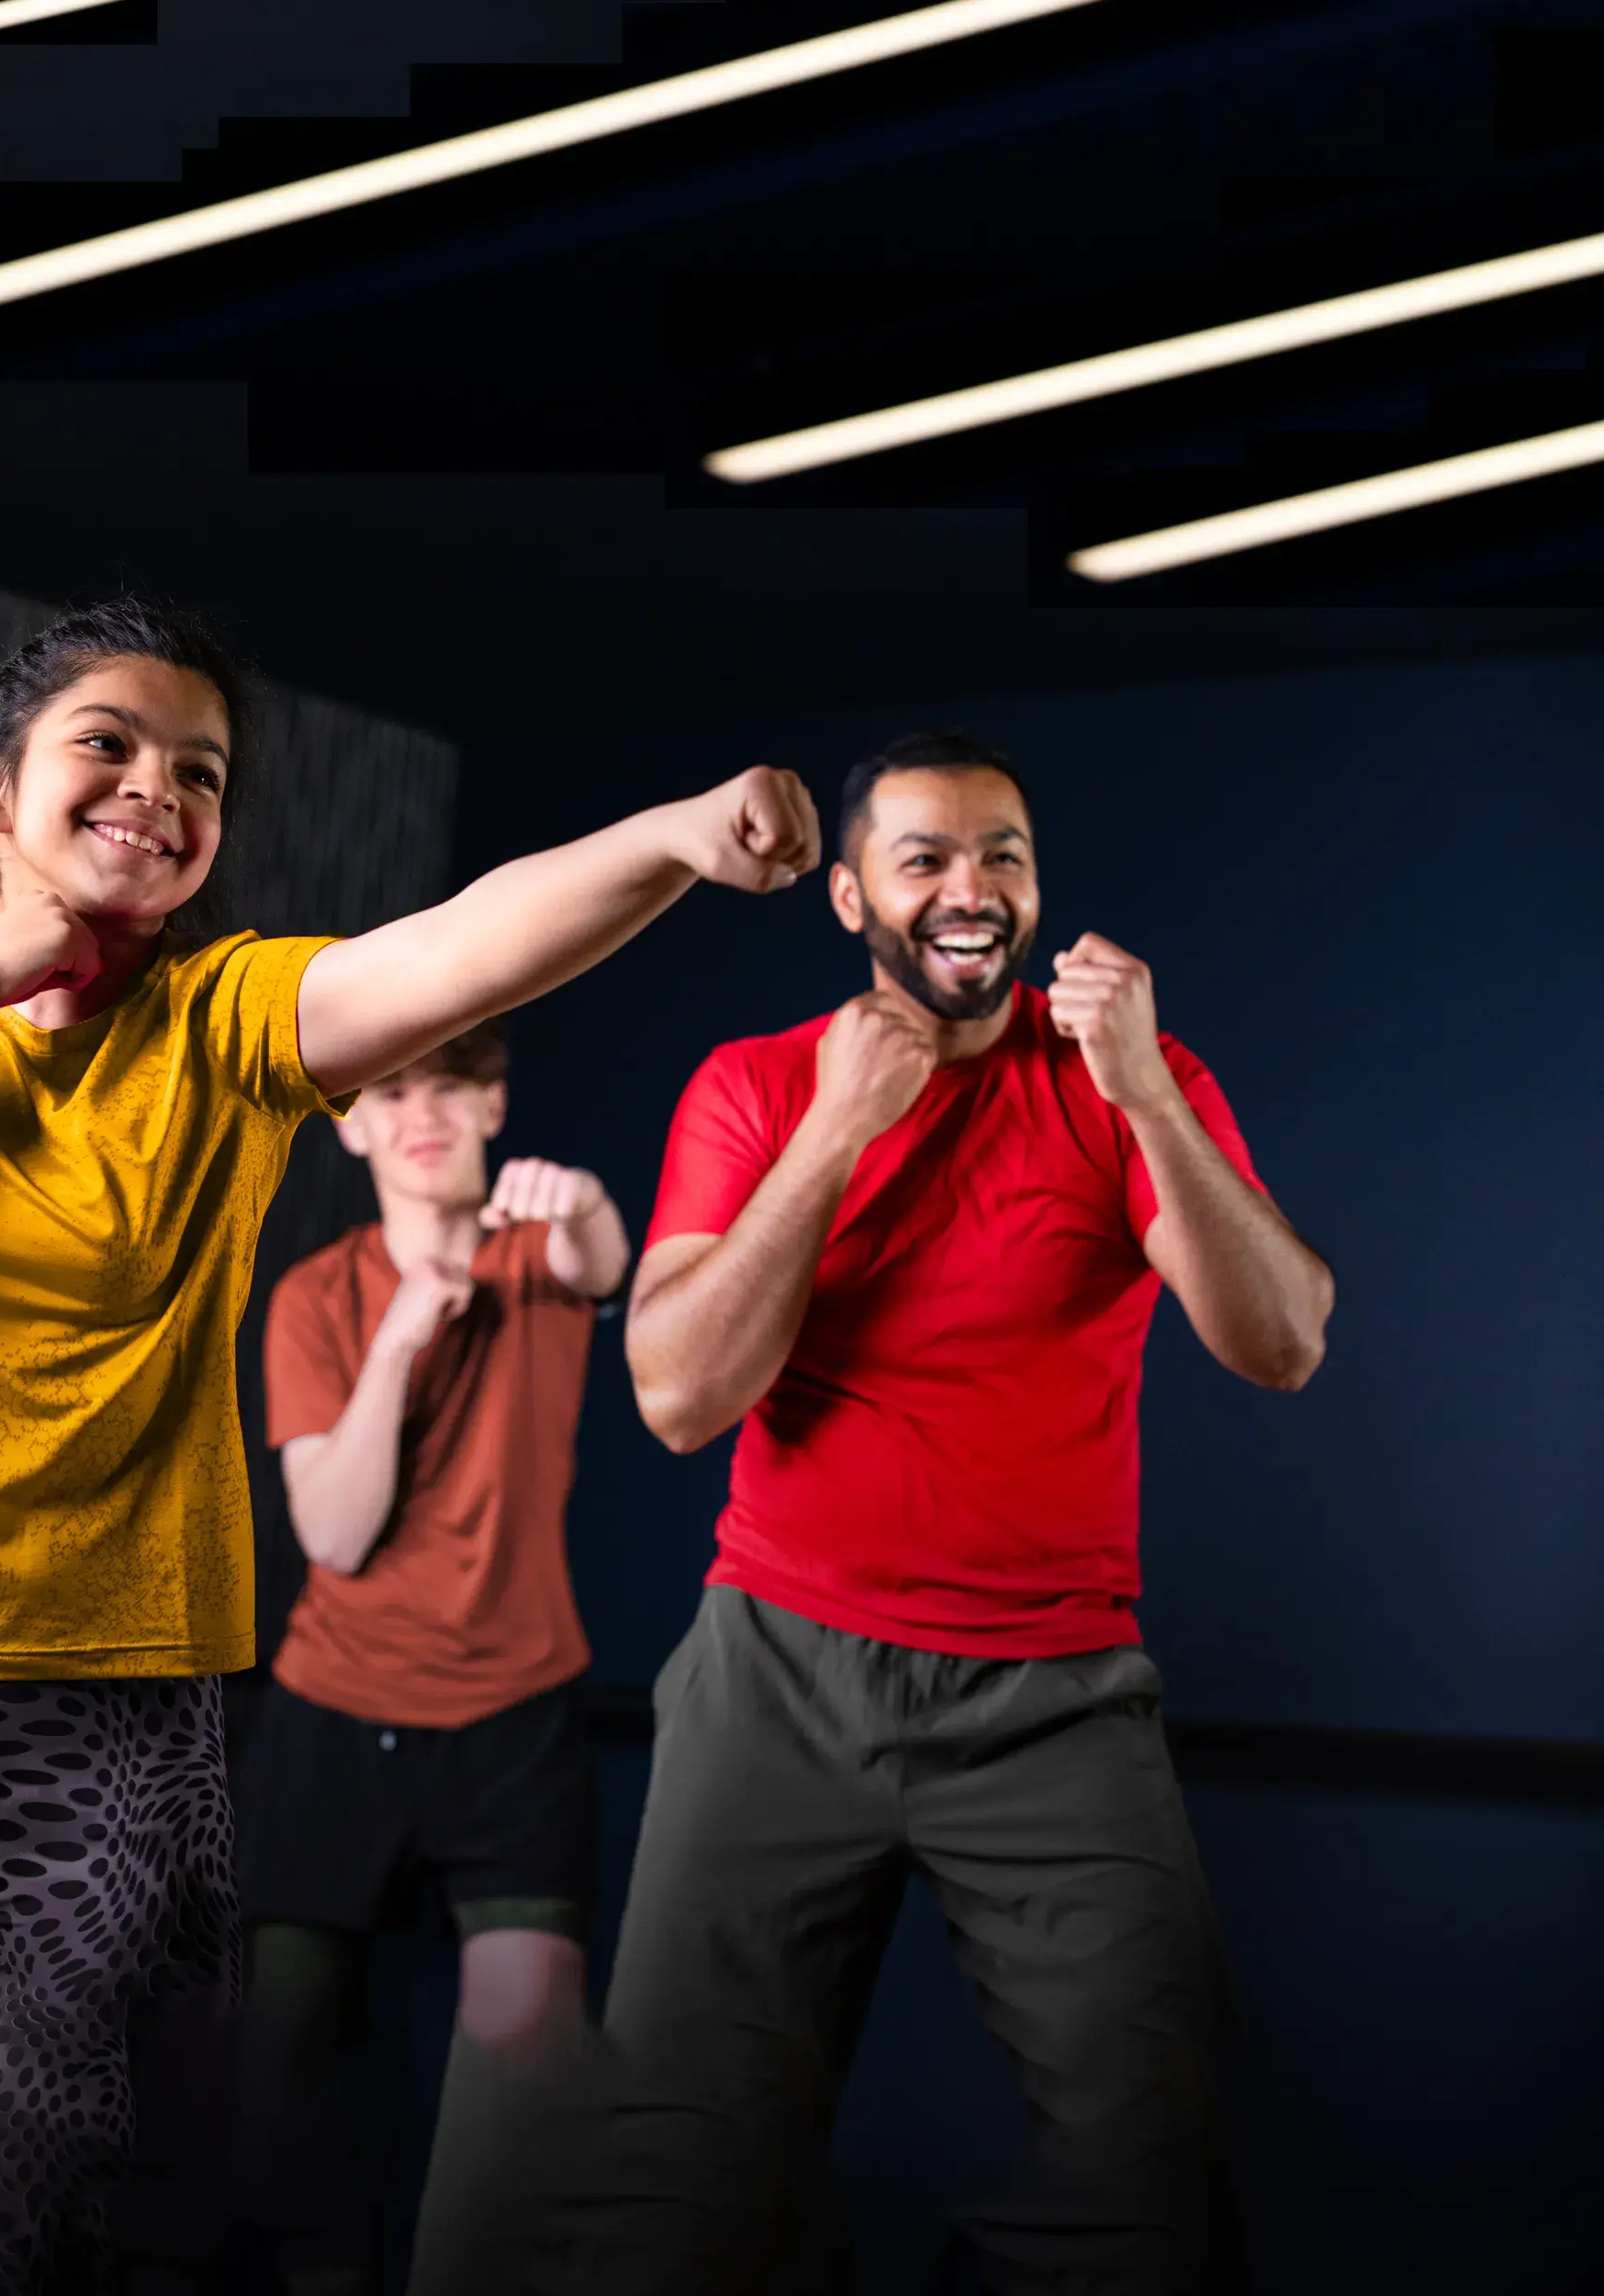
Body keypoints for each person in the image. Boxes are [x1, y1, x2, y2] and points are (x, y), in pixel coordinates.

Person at [0, 594, 819, 2296]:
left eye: (201, 772)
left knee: (43, 2215)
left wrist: (677, 837)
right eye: (106, 747)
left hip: (120, 1707)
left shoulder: (228, 1022)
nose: (158, 793)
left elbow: (468, 943)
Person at [596, 730, 1334, 2294]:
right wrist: (834, 1133)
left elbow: (1282, 1342)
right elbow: (677, 1396)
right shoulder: (756, 1086)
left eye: (1003, 854)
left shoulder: (1136, 1085)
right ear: (851, 894)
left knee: (1162, 2171)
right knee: (684, 2180)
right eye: (925, 858)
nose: (971, 888)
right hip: (775, 1678)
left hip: (1056, 1697)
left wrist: (1145, 1094)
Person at [237, 1019, 629, 2296]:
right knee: (279, 2042)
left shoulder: (543, 1256)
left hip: (513, 1712)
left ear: (494, 1105)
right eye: (391, 1092)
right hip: (330, 1704)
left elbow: (604, 1260)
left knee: (530, 2040)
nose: (421, 1114)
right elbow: (335, 1536)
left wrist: (583, 1208)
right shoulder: (315, 1298)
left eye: (452, 1089)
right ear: (348, 1124)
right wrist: (406, 1334)